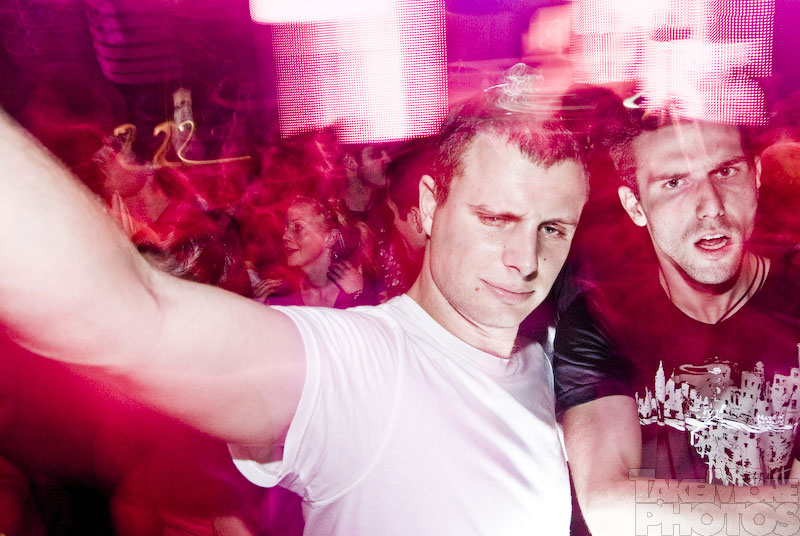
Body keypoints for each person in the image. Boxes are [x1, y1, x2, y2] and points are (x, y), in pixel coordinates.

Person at [0, 93, 588, 535]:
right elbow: (124, 315)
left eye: (553, 229)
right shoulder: (358, 370)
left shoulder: (555, 360)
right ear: (431, 207)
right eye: (496, 219)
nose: (525, 260)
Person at [554, 112, 800, 536]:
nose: (712, 206)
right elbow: (611, 508)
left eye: (726, 171)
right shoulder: (602, 315)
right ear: (635, 206)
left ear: (757, 176)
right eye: (674, 182)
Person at [252, 196, 377, 307]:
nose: (285, 236)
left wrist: (360, 296)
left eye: (298, 227)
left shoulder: (362, 287)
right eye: (285, 228)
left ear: (330, 238)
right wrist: (257, 309)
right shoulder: (281, 295)